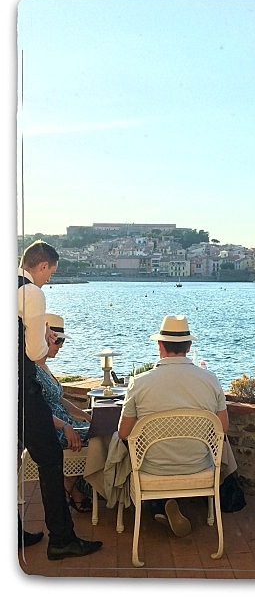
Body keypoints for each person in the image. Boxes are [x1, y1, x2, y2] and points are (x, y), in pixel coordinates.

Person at [18, 239, 102, 559]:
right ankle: (61, 539)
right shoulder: (31, 292)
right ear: (42, 266)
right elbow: (36, 352)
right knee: (51, 459)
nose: (49, 279)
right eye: (50, 273)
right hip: (22, 392)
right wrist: (44, 338)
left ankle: (13, 532)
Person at [118, 314, 229, 537]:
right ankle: (172, 504)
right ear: (189, 346)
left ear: (160, 345)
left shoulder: (139, 383)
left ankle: (133, 509)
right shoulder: (210, 379)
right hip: (199, 467)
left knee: (118, 446)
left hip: (152, 469)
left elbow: (123, 432)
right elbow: (223, 428)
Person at [36, 313, 93, 513]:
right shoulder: (33, 370)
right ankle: (69, 487)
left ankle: (72, 488)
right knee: (100, 439)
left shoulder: (44, 367)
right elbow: (37, 409)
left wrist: (86, 416)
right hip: (53, 428)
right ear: (44, 338)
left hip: (65, 423)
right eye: (58, 340)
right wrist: (66, 426)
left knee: (100, 431)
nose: (61, 346)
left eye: (62, 341)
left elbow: (60, 399)